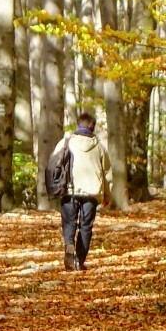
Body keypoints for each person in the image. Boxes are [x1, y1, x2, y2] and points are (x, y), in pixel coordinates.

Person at [48, 111, 113, 271]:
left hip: (70, 189)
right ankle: (79, 260)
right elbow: (107, 174)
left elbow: (53, 163)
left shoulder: (66, 142)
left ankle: (69, 245)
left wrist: (53, 187)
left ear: (78, 124)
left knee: (69, 222)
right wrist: (107, 195)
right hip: (92, 192)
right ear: (93, 127)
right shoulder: (99, 147)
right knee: (86, 227)